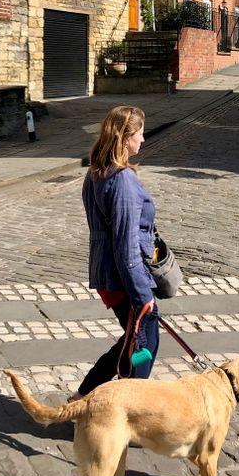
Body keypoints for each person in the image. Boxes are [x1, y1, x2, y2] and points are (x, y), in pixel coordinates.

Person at [72, 105, 159, 399]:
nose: (143, 140)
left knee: (131, 342)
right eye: (139, 134)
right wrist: (141, 293)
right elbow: (125, 243)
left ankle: (84, 395)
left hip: (107, 273)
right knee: (145, 346)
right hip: (124, 276)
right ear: (124, 137)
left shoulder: (96, 172)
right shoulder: (121, 179)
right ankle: (129, 409)